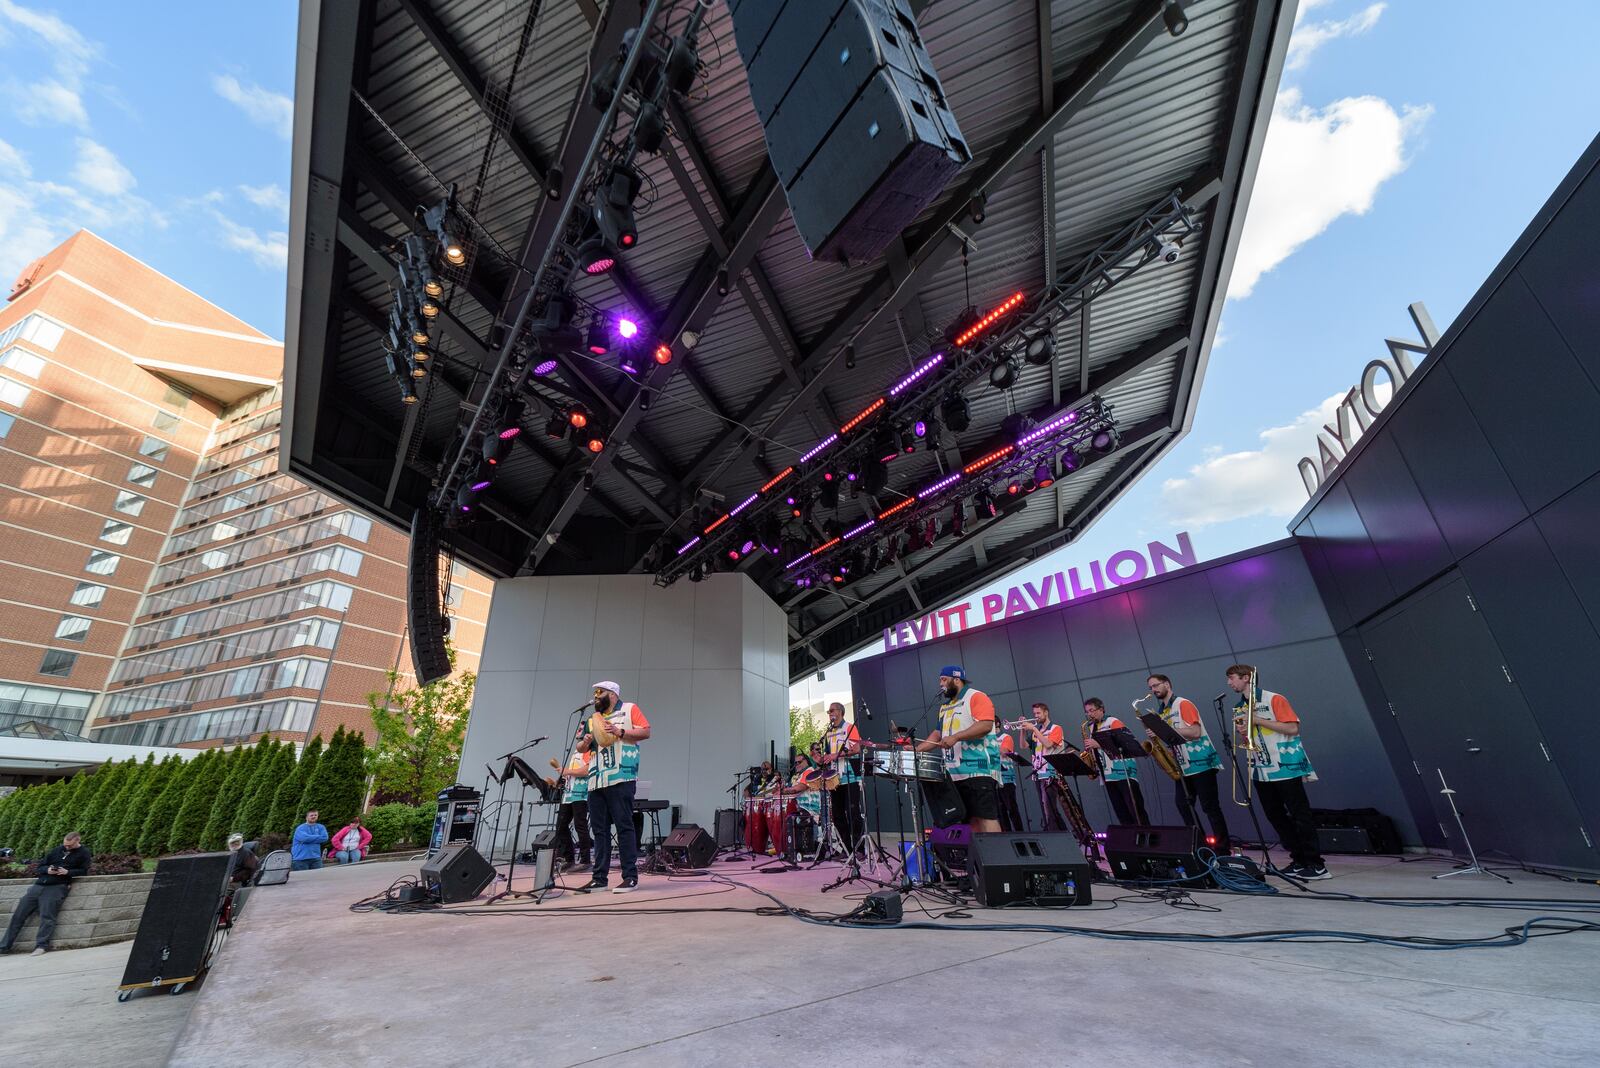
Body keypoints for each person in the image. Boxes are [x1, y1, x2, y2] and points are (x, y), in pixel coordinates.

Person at [1227, 665, 1328, 879]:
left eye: (1232, 678)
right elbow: (1248, 736)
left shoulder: (1273, 699)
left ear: (1246, 678)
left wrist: (1257, 720)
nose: (1229, 683)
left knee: (1300, 814)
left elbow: (1292, 728)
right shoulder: (1238, 706)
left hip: (1284, 765)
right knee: (1275, 816)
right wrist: (1244, 731)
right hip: (1260, 768)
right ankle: (1298, 859)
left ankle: (1316, 864)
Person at [577, 681, 651, 894]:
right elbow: (581, 746)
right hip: (596, 779)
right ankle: (599, 878)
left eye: (600, 693)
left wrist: (619, 731)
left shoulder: (629, 709)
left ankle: (630, 877)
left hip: (621, 776)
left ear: (613, 694)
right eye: (595, 693)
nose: (596, 696)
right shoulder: (592, 720)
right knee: (599, 831)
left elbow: (646, 732)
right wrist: (586, 741)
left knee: (624, 826)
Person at [1144, 673, 1231, 852]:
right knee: (1183, 805)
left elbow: (1195, 732)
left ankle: (1223, 849)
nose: (1153, 690)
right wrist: (1158, 735)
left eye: (1156, 685)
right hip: (1183, 766)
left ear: (1167, 684)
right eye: (1151, 688)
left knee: (1210, 807)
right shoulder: (1162, 711)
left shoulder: (1183, 703)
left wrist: (1166, 729)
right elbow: (1172, 737)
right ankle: (1200, 846)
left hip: (1201, 762)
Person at [915, 666, 1002, 835]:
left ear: (957, 679)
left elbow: (985, 725)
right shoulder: (945, 706)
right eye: (940, 680)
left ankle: (997, 858)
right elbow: (937, 734)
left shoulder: (976, 696)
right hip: (954, 773)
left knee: (986, 817)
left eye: (944, 679)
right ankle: (979, 859)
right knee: (970, 820)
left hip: (979, 769)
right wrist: (916, 749)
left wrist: (956, 737)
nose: (941, 684)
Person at [2, 830, 90, 955]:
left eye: (69, 845)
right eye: (65, 844)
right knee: (18, 915)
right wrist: (48, 870)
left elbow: (84, 871)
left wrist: (68, 872)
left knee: (47, 917)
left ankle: (41, 946)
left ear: (77, 840)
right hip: (38, 886)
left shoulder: (84, 853)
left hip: (57, 887)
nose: (66, 847)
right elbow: (40, 867)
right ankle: (4, 947)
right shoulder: (57, 850)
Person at [1082, 699, 1150, 826]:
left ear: (1101, 709)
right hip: (1107, 776)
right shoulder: (1091, 727)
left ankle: (1148, 841)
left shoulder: (1113, 721)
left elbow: (1125, 744)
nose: (1089, 714)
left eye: (1092, 710)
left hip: (1123, 773)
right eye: (1087, 712)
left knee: (1136, 812)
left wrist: (1098, 744)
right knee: (1121, 813)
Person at [820, 702, 865, 855]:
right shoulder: (829, 732)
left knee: (853, 813)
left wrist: (835, 755)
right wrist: (821, 758)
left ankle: (859, 848)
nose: (829, 713)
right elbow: (828, 754)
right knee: (837, 815)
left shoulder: (849, 727)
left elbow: (856, 749)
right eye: (828, 711)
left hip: (850, 776)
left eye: (832, 710)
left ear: (840, 712)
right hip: (835, 778)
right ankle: (847, 848)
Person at [1023, 702, 1071, 832]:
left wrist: (1034, 729)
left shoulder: (1056, 728)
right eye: (1034, 714)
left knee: (1049, 807)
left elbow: (1049, 744)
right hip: (1038, 772)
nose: (1036, 716)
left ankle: (1055, 833)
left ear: (1046, 712)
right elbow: (1023, 746)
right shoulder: (1037, 731)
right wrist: (1022, 730)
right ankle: (1063, 833)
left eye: (1038, 713)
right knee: (1047, 807)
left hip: (1051, 773)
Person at [553, 728, 594, 872]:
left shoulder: (590, 752)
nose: (579, 741)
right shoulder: (576, 752)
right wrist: (562, 778)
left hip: (581, 793)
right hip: (568, 793)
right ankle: (568, 858)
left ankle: (585, 860)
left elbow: (587, 770)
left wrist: (567, 771)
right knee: (561, 826)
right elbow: (572, 771)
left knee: (580, 826)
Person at [995, 724, 1025, 832]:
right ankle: (1006, 835)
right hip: (995, 778)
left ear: (997, 724)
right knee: (1000, 812)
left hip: (1007, 778)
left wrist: (989, 742)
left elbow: (1003, 752)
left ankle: (1020, 833)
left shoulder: (1006, 737)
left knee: (1011, 809)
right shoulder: (988, 739)